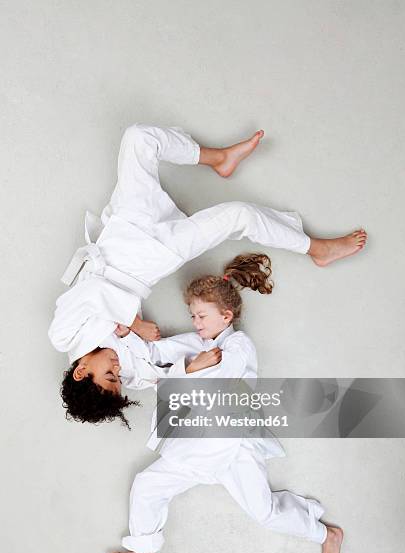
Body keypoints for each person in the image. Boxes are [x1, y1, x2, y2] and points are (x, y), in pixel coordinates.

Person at [48, 122, 367, 426]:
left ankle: (220, 158)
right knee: (238, 215)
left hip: (121, 229)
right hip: (149, 258)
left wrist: (135, 324)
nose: (118, 370)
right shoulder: (131, 371)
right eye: (118, 380)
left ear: (80, 371)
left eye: (109, 375)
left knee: (138, 138)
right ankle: (315, 249)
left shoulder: (63, 336)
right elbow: (159, 373)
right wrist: (189, 368)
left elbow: (90, 295)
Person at [106, 254, 343, 553]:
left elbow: (221, 380)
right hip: (198, 445)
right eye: (193, 316)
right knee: (147, 484)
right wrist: (127, 336)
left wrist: (187, 371)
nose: (196, 323)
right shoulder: (194, 343)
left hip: (233, 446)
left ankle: (325, 533)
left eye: (202, 316)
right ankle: (144, 548)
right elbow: (155, 354)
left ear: (226, 315)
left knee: (263, 513)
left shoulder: (240, 346)